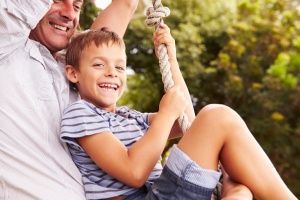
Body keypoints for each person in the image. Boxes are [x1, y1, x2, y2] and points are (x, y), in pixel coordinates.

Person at [61, 25, 297, 200]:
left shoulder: (129, 116)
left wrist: (171, 60)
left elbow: (190, 125)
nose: (112, 72)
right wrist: (164, 115)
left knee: (239, 187)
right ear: (73, 74)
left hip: (164, 193)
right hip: (151, 196)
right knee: (218, 117)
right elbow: (134, 173)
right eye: (99, 64)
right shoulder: (81, 113)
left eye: (119, 66)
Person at [0, 0, 138, 199]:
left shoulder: (73, 70)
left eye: (76, 6)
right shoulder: (5, 47)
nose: (69, 14)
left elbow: (125, 4)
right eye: (56, 1)